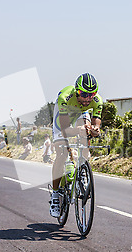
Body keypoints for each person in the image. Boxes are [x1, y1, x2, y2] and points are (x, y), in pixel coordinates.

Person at [49, 73, 103, 217]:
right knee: (62, 153)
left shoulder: (96, 101)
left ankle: (83, 171)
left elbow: (96, 121)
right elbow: (66, 129)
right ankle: (55, 195)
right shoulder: (65, 98)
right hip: (64, 117)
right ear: (76, 91)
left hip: (81, 113)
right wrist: (76, 131)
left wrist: (95, 129)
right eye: (83, 94)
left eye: (91, 95)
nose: (87, 98)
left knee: (86, 132)